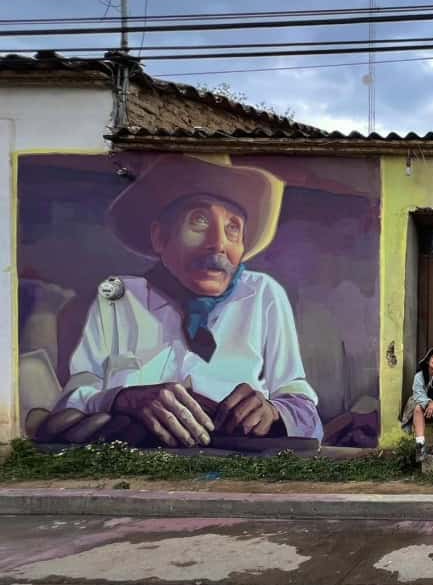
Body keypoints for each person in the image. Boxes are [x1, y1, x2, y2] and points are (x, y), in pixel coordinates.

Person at [55, 154, 321, 447]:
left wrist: (274, 412)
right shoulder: (117, 296)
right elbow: (70, 402)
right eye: (200, 220)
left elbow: (305, 412)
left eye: (233, 228)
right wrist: (122, 399)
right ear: (160, 237)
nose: (218, 243)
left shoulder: (263, 295)